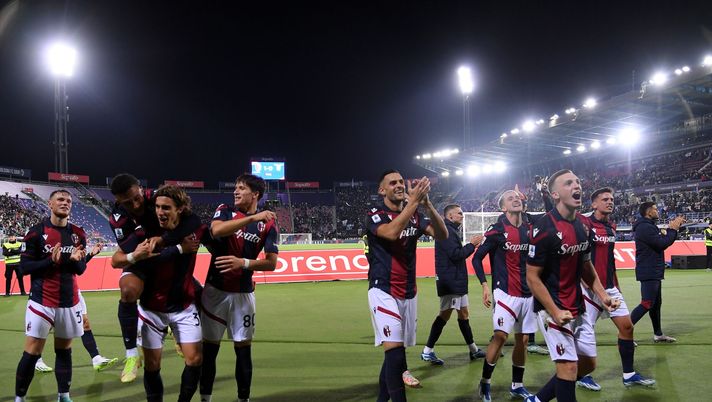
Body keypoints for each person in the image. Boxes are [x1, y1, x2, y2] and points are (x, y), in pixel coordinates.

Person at [524, 170, 619, 402]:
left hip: (578, 305)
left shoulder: (583, 226)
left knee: (588, 363)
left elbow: (586, 265)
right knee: (568, 368)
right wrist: (554, 312)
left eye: (577, 181)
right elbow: (532, 277)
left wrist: (602, 295)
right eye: (569, 183)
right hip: (552, 308)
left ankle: (537, 399)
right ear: (555, 194)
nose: (577, 186)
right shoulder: (543, 228)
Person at [112, 185, 204, 401]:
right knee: (153, 365)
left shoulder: (195, 229)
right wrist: (179, 249)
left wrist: (245, 270)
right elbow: (122, 258)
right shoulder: (145, 231)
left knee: (195, 360)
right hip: (152, 308)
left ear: (180, 209)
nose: (160, 212)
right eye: (157, 207)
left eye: (166, 207)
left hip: (183, 305)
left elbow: (216, 240)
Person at [367, 170, 448, 402]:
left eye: (401, 181)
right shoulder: (375, 214)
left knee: (395, 355)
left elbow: (442, 235)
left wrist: (428, 205)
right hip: (383, 289)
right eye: (393, 183)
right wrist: (413, 203)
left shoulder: (415, 215)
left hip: (408, 292)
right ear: (382, 190)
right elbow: (391, 233)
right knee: (395, 354)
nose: (399, 185)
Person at [199, 174, 279, 402]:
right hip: (215, 291)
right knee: (209, 351)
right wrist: (250, 219)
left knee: (243, 351)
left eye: (241, 188)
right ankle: (206, 398)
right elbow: (216, 231)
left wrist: (242, 263)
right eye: (235, 187)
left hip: (244, 295)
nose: (235, 191)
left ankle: (243, 399)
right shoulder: (224, 209)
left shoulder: (268, 223)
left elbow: (271, 263)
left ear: (255, 194)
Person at [574, 188, 655, 391]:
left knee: (627, 327)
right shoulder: (584, 224)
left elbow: (608, 260)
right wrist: (584, 284)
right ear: (593, 204)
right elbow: (578, 257)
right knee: (585, 332)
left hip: (610, 287)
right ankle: (582, 375)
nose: (610, 202)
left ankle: (629, 375)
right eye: (605, 199)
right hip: (589, 288)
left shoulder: (611, 226)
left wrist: (614, 285)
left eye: (611, 199)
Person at [14, 189, 88, 402]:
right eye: (60, 200)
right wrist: (50, 262)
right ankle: (20, 398)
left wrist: (75, 260)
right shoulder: (36, 232)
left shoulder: (78, 234)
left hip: (69, 302)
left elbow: (81, 270)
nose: (65, 203)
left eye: (69, 201)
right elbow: (25, 267)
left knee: (64, 351)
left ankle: (63, 396)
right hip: (42, 301)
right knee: (32, 351)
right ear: (50, 204)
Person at [472, 190, 536, 401]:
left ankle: (517, 386)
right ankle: (485, 383)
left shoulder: (530, 229)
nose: (516, 199)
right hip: (505, 292)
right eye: (510, 198)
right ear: (503, 208)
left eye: (517, 197)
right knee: (500, 336)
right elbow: (476, 259)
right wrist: (484, 286)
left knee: (523, 340)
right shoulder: (497, 230)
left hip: (528, 294)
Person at [35, 243, 119, 373]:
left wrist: (91, 254)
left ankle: (96, 358)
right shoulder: (49, 243)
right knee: (47, 325)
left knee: (85, 322)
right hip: (54, 292)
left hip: (73, 290)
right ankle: (37, 359)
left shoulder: (70, 240)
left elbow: (77, 267)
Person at [421, 204, 485, 366]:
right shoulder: (447, 232)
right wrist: (472, 245)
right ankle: (427, 350)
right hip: (451, 282)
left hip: (455, 281)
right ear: (449, 216)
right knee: (445, 315)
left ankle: (473, 349)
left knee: (463, 314)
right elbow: (456, 255)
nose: (462, 216)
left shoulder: (450, 230)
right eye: (459, 213)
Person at [629, 202, 684, 343]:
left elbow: (660, 241)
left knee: (655, 304)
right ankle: (624, 332)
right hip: (649, 270)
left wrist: (671, 231)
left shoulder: (648, 226)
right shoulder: (644, 227)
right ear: (648, 212)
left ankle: (658, 334)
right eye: (654, 209)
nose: (657, 211)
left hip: (653, 270)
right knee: (647, 303)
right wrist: (673, 230)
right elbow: (661, 244)